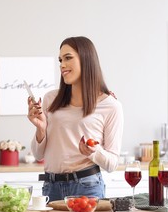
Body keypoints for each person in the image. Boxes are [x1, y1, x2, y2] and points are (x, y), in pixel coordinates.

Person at [27, 36, 123, 201]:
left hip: (87, 187)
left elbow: (112, 164)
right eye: (60, 60)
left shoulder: (111, 106)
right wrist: (40, 129)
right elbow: (38, 154)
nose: (62, 65)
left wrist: (94, 152)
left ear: (86, 59)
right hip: (51, 187)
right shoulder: (51, 99)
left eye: (68, 58)